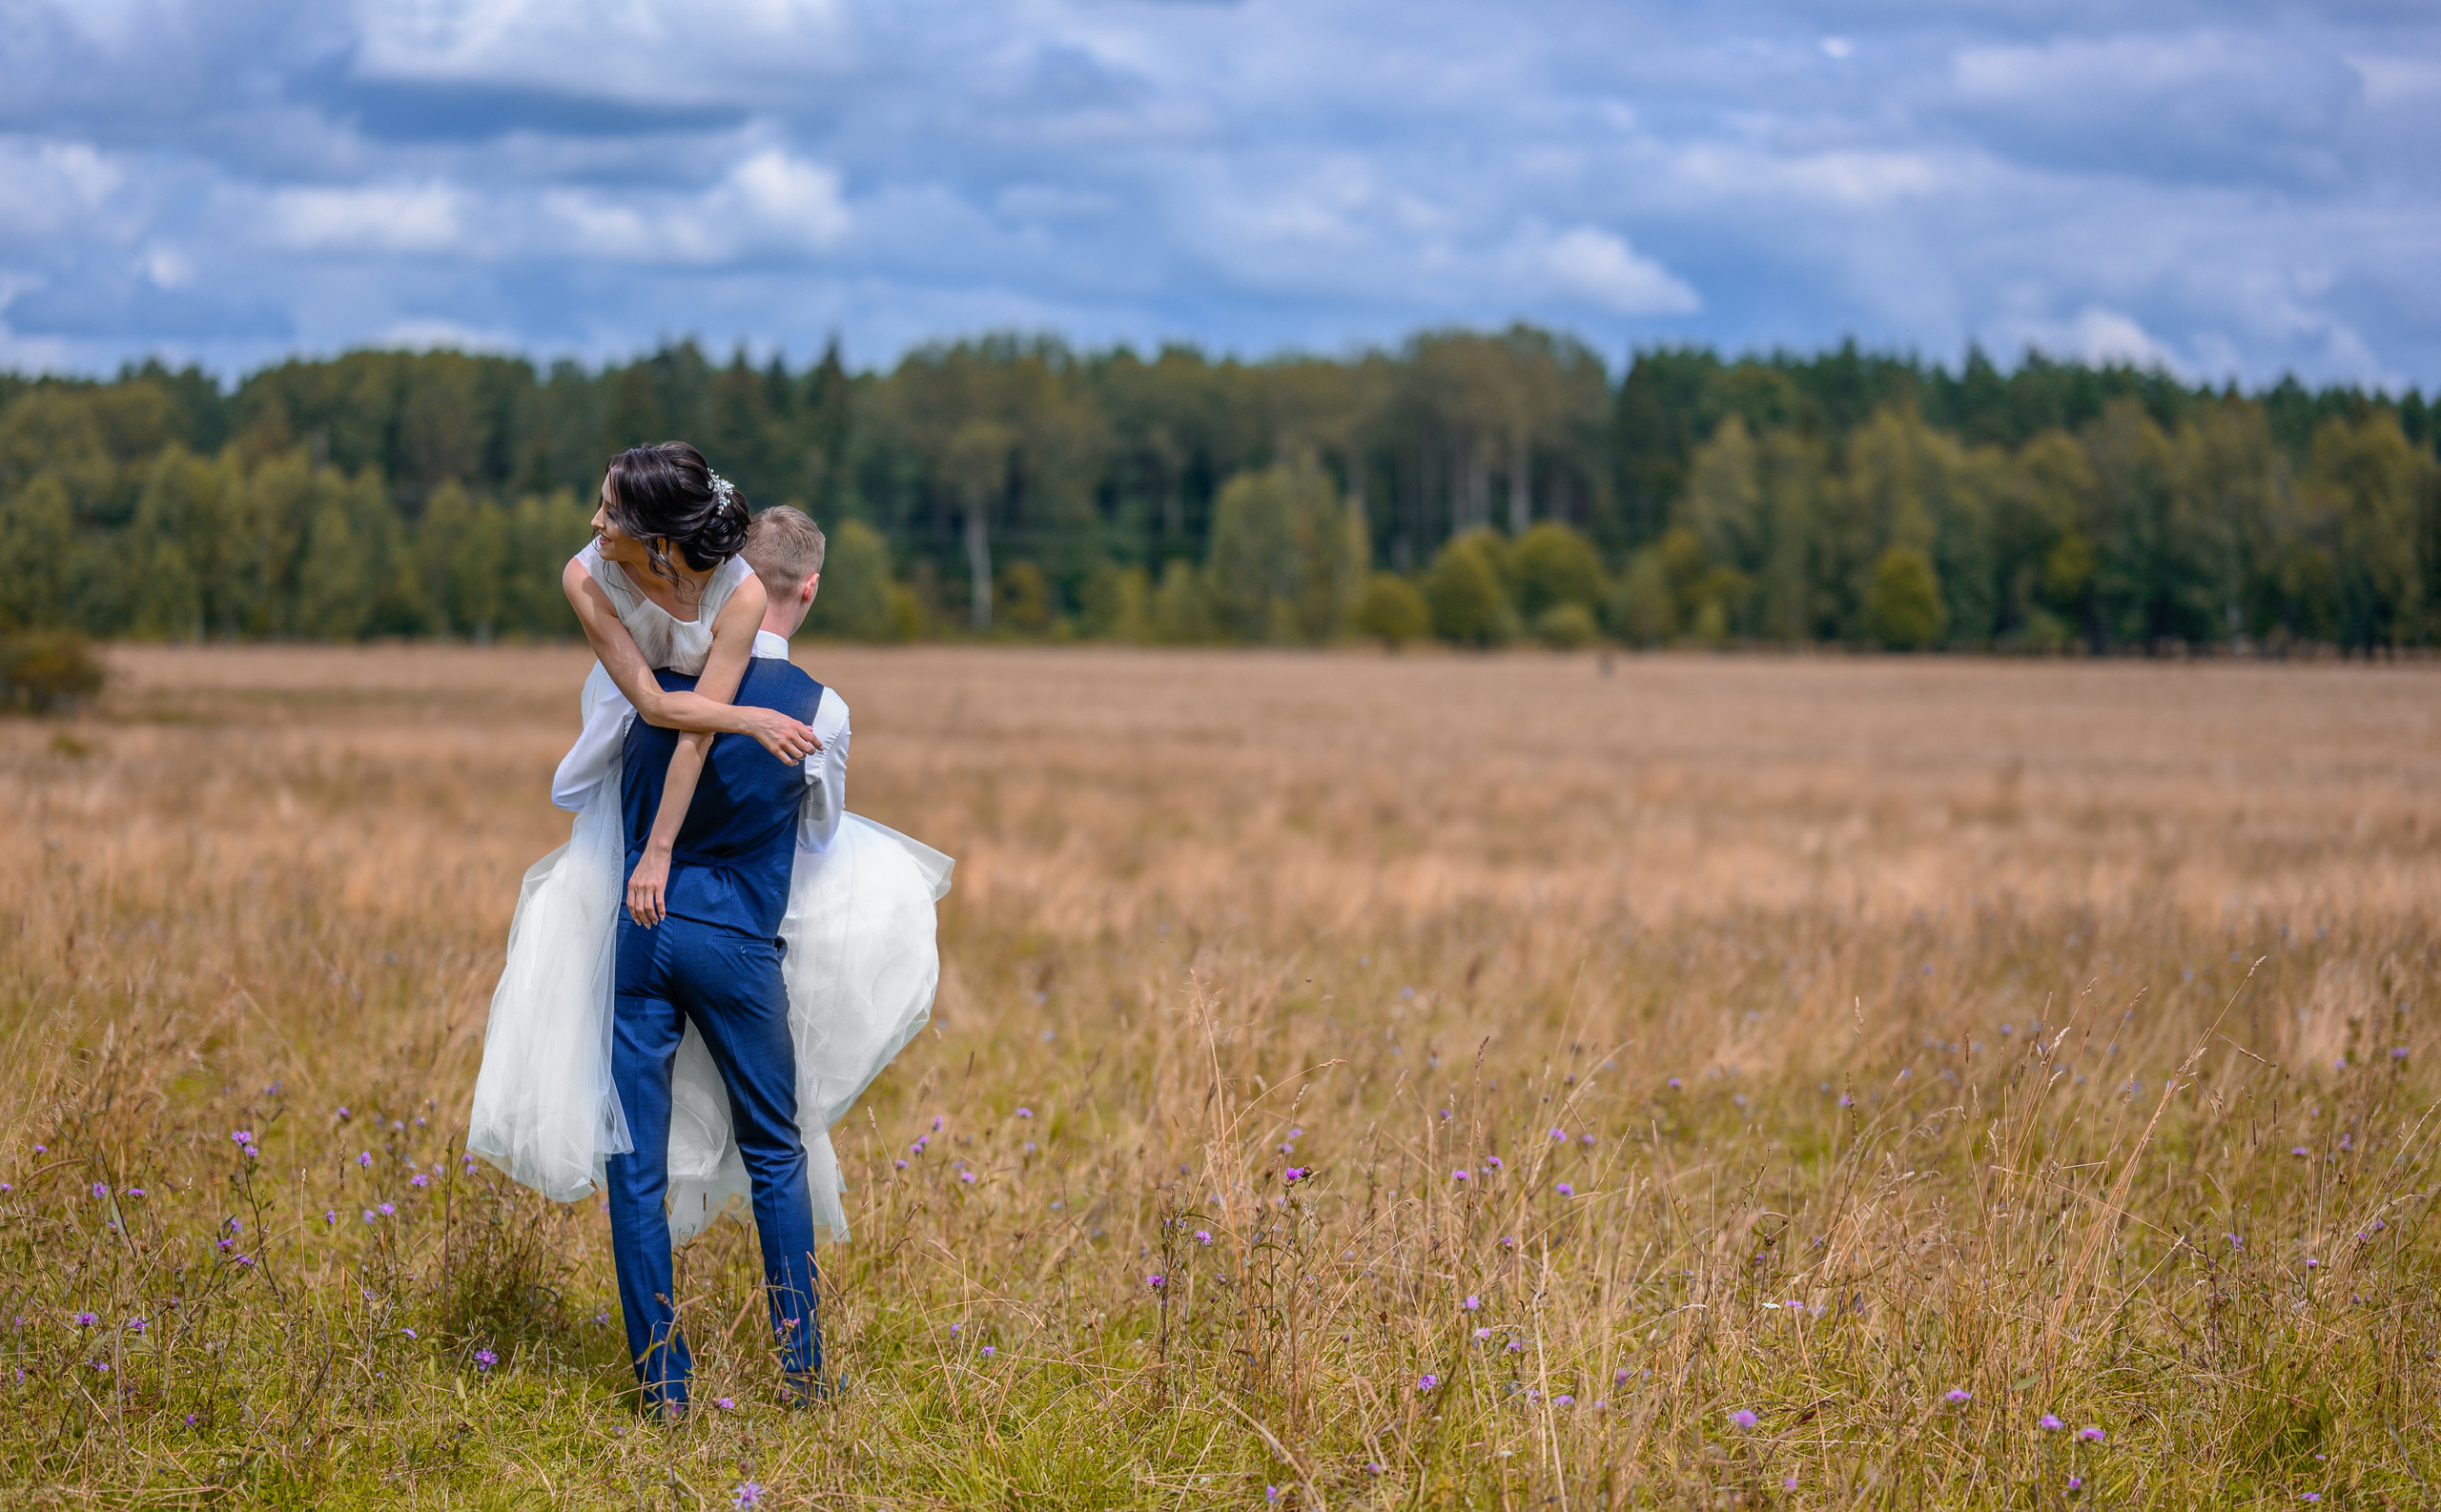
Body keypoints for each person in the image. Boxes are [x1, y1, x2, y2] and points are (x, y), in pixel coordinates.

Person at [467, 458, 949, 1411]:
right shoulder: (824, 709)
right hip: (735, 937)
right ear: (802, 587)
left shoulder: (652, 684)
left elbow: (604, 783)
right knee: (775, 1147)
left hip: (640, 930)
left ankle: (661, 1385)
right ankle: (804, 1372)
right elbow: (818, 841)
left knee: (633, 1161)